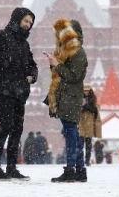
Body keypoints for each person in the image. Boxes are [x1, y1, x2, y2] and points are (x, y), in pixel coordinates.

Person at [0, 7, 38, 181]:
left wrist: (32, 75)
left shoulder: (24, 43)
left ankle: (12, 167)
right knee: (6, 125)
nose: (28, 25)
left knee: (17, 129)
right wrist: (4, 61)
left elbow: (31, 64)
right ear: (17, 19)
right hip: (4, 89)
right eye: (26, 21)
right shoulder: (1, 36)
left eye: (30, 23)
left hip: (20, 91)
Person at [45, 18, 88, 183]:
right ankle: (79, 170)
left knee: (71, 136)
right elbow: (61, 74)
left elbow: (73, 77)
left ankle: (71, 170)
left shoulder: (78, 53)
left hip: (71, 98)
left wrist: (57, 65)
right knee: (72, 134)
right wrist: (53, 63)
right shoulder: (68, 51)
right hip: (65, 97)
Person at [78, 83, 102, 166]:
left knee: (88, 145)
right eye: (85, 90)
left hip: (90, 123)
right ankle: (80, 160)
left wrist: (89, 108)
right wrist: (83, 108)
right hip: (81, 122)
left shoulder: (93, 99)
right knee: (80, 144)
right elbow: (76, 110)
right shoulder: (78, 98)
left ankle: (87, 160)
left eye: (87, 90)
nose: (86, 92)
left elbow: (96, 111)